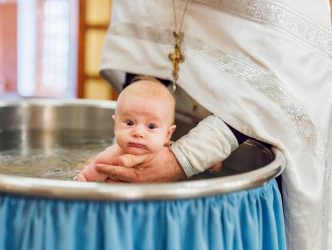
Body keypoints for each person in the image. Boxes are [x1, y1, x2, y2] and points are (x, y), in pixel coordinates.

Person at [97, 0, 332, 249]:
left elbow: (280, 81)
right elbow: (147, 20)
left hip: (252, 157)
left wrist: (186, 157)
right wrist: (146, 98)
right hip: (173, 114)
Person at [76, 77, 178, 182]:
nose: (138, 133)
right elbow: (84, 179)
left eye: (151, 126)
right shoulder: (109, 158)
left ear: (167, 134)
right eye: (129, 123)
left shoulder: (173, 158)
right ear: (115, 126)